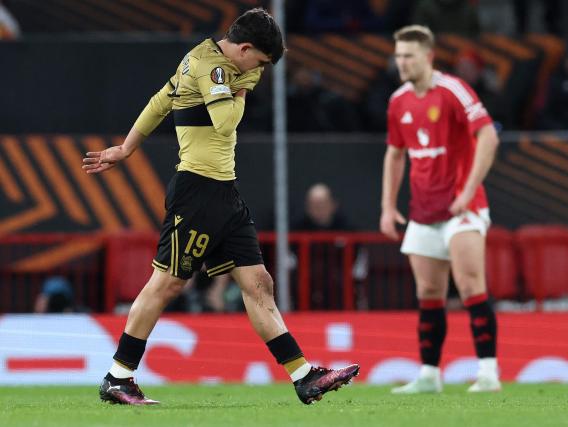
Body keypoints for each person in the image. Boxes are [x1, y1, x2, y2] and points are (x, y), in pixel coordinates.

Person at [82, 8, 358, 406]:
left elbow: (161, 101)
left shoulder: (206, 62)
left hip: (224, 192)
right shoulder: (213, 68)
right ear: (244, 48)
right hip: (197, 190)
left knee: (258, 282)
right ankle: (118, 376)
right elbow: (226, 123)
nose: (259, 71)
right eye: (259, 62)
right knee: (167, 283)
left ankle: (303, 376)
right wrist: (243, 87)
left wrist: (126, 148)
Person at [379, 25, 501, 394]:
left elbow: (489, 135)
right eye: (398, 56)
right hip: (423, 211)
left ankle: (489, 373)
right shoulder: (398, 100)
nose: (402, 63)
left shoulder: (453, 90)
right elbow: (395, 154)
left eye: (409, 56)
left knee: (469, 286)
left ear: (428, 57)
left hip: (463, 208)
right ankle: (430, 376)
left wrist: (468, 190)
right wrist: (387, 206)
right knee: (429, 291)